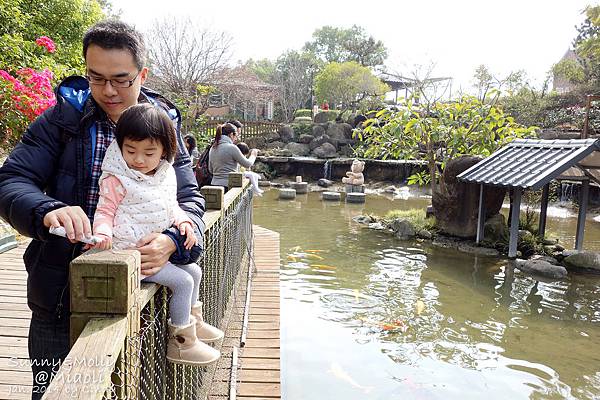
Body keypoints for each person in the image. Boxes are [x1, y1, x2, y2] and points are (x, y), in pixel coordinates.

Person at [0, 20, 205, 398]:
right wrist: (47, 209)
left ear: (143, 74)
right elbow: (11, 181)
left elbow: (191, 200)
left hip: (143, 292)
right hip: (60, 295)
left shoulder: (162, 128)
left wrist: (174, 239)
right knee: (52, 391)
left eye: (121, 79)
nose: (108, 91)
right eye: (96, 78)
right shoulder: (61, 120)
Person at [92, 104, 222, 366]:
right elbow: (104, 210)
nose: (138, 160)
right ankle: (182, 342)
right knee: (183, 282)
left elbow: (171, 205)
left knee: (194, 271)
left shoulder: (165, 174)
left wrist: (184, 222)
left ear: (165, 150)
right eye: (130, 151)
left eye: (149, 153)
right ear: (120, 146)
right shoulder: (116, 179)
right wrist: (102, 232)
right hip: (133, 253)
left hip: (155, 247)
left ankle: (194, 323)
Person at [208, 123, 258, 191]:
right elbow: (247, 164)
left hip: (214, 186)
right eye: (236, 136)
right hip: (229, 186)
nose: (236, 139)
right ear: (231, 134)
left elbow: (210, 169)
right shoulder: (232, 148)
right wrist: (253, 155)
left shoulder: (213, 148)